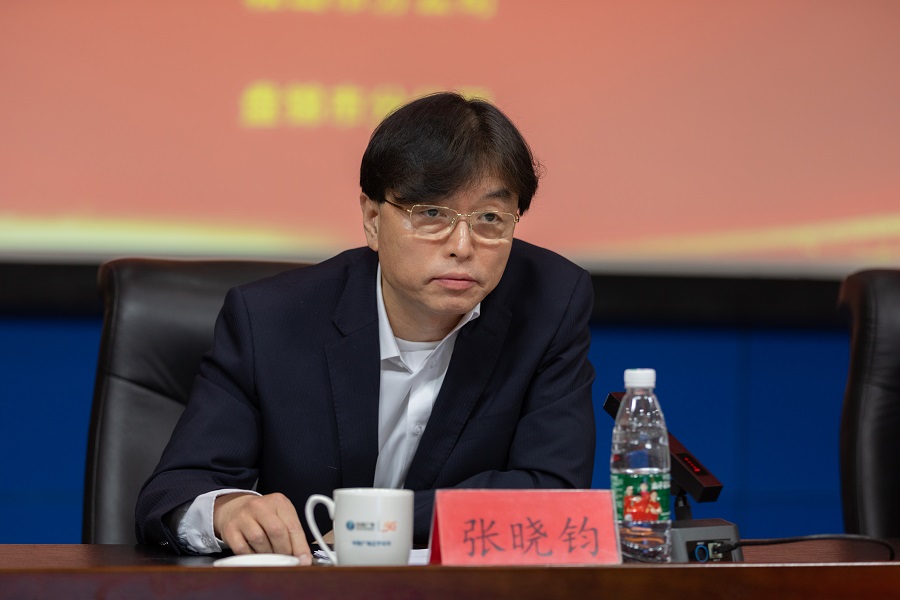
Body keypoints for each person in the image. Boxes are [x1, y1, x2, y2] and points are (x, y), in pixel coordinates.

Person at [135, 92, 596, 564]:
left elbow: (555, 490)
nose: (462, 245)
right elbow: (175, 490)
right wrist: (227, 510)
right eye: (431, 214)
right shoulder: (270, 319)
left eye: (490, 219)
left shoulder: (550, 304)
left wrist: (381, 522)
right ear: (373, 220)